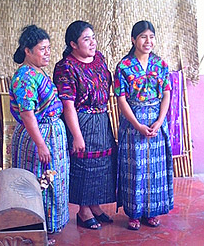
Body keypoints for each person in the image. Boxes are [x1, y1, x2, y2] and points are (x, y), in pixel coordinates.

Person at [53, 20, 116, 230]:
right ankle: (83, 210)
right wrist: (77, 135)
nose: (92, 43)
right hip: (81, 120)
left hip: (101, 119)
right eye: (85, 39)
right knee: (84, 165)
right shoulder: (66, 67)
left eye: (93, 38)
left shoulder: (99, 59)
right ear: (73, 44)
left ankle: (95, 205)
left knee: (102, 164)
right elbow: (68, 105)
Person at [9, 25, 70, 234]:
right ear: (28, 50)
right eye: (42, 49)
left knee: (53, 180)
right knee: (40, 182)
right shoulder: (25, 77)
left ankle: (49, 228)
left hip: (51, 134)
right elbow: (27, 114)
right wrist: (41, 144)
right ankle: (37, 229)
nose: (47, 53)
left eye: (49, 48)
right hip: (37, 138)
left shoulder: (37, 72)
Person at [114, 20, 174, 230]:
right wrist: (138, 125)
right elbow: (121, 99)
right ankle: (134, 213)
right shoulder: (123, 66)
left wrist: (159, 121)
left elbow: (167, 94)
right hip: (133, 124)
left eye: (151, 37)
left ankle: (152, 211)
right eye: (143, 37)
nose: (148, 41)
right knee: (135, 166)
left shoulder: (161, 65)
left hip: (157, 122)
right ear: (133, 40)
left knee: (155, 168)